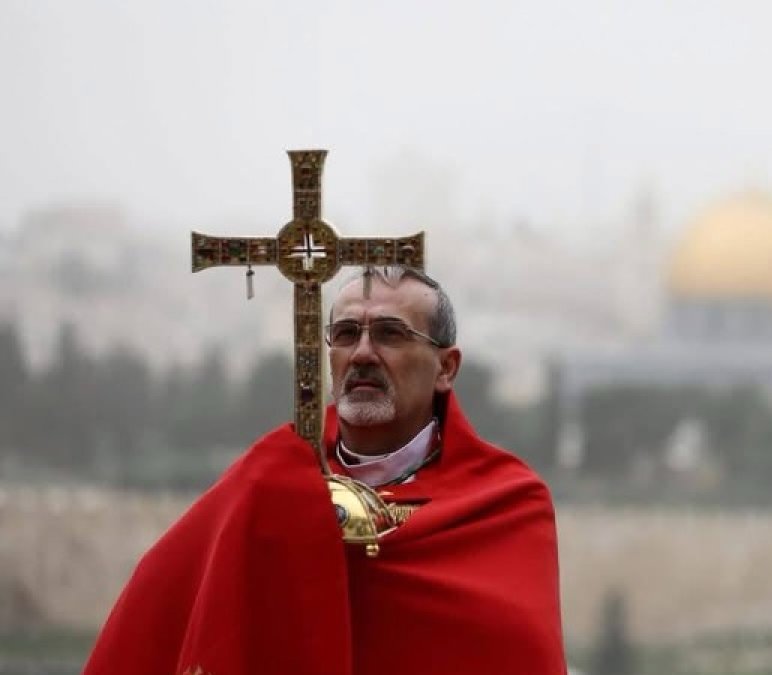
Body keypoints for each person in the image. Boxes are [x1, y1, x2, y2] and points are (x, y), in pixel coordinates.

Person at [83, 266, 566, 675]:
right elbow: (162, 606)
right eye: (346, 333)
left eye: (391, 334)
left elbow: (517, 649)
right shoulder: (266, 477)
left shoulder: (507, 502)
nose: (362, 354)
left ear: (447, 367)